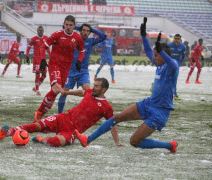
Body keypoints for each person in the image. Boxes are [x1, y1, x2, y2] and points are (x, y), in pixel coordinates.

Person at [75, 17, 179, 153]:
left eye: (156, 55)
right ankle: (87, 140)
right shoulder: (159, 64)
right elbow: (148, 51)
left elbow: (173, 64)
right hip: (149, 103)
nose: (153, 58)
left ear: (163, 56)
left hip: (160, 113)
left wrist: (162, 52)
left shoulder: (172, 67)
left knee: (134, 142)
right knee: (117, 117)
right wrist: (143, 36)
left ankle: (169, 146)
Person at [0, 78, 124, 147]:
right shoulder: (89, 92)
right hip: (64, 118)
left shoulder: (106, 107)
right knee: (36, 126)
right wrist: (66, 92)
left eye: (96, 86)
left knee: (57, 142)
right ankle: (8, 132)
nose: (93, 87)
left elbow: (111, 124)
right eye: (94, 85)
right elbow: (81, 92)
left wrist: (117, 142)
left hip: (73, 131)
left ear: (103, 89)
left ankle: (41, 139)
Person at [33, 15, 85, 122]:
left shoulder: (77, 37)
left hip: (66, 68)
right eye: (66, 25)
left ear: (74, 26)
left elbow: (82, 51)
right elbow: (43, 46)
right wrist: (43, 60)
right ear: (64, 24)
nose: (68, 27)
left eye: (70, 25)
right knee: (57, 89)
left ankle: (40, 112)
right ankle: (39, 113)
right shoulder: (57, 34)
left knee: (55, 92)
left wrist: (79, 61)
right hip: (54, 64)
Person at [58, 23, 106, 114]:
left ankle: (84, 113)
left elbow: (103, 36)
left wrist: (92, 29)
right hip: (70, 71)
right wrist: (77, 27)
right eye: (83, 30)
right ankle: (59, 114)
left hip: (83, 72)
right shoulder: (73, 39)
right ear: (80, 31)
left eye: (87, 31)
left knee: (89, 93)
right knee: (63, 93)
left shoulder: (91, 41)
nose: (85, 32)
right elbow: (63, 26)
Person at [26, 26, 50, 96]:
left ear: (43, 31)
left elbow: (47, 48)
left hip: (43, 59)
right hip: (36, 59)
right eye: (39, 31)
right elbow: (29, 46)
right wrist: (27, 55)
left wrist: (51, 56)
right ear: (37, 31)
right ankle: (37, 90)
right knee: (37, 73)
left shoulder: (46, 38)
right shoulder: (34, 39)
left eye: (41, 31)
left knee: (44, 75)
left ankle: (36, 87)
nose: (40, 32)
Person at [167, 34, 186, 100]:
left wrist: (179, 63)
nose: (176, 40)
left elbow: (183, 56)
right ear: (173, 39)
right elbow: (165, 54)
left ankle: (175, 94)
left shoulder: (183, 47)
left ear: (180, 40)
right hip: (168, 64)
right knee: (165, 78)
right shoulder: (169, 45)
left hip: (176, 65)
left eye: (178, 39)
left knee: (174, 80)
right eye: (175, 38)